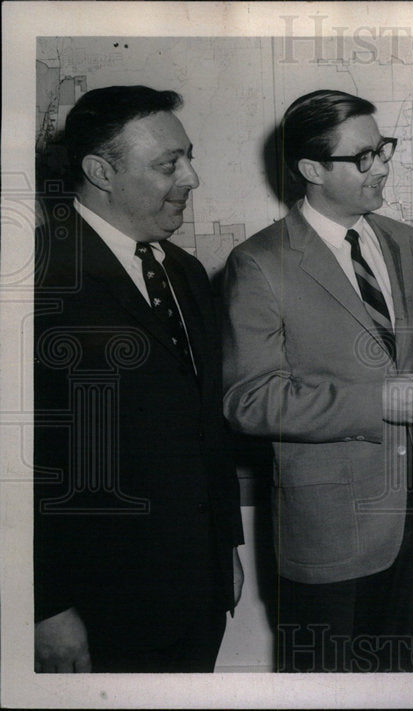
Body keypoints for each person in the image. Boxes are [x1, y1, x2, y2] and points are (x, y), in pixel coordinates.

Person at [222, 89, 413, 673]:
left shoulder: (402, 241)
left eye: (383, 149)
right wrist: (379, 401)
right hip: (330, 535)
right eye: (363, 157)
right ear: (311, 169)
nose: (382, 165)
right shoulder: (259, 263)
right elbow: (248, 400)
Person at [33, 86, 245, 673]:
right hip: (94, 608)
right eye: (167, 164)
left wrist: (225, 544)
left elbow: (207, 423)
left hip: (195, 594)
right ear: (100, 171)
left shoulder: (185, 272)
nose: (192, 178)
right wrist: (42, 606)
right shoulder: (35, 277)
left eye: (188, 156)